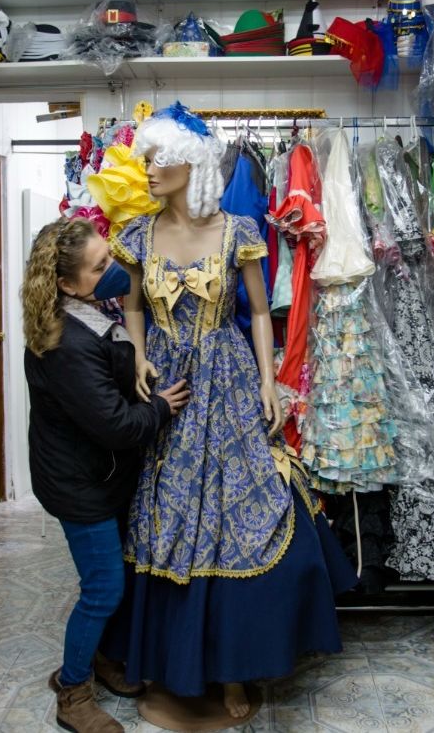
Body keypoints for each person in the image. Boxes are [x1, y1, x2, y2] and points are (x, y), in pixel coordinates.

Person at [104, 103, 357, 719]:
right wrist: (137, 356)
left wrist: (270, 383)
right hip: (167, 390)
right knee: (168, 515)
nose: (148, 168)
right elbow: (132, 306)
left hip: (230, 380)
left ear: (191, 164)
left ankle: (238, 669)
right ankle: (171, 664)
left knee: (241, 506)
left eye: (158, 158)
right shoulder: (136, 233)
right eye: (147, 158)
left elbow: (261, 317)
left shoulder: (238, 231)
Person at [22, 217, 190, 733]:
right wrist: (162, 407)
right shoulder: (66, 345)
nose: (114, 271)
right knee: (102, 588)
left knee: (110, 580)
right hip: (79, 485)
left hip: (98, 474)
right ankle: (72, 692)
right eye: (101, 268)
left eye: (110, 257)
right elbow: (115, 425)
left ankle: (100, 660)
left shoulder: (89, 312)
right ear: (68, 284)